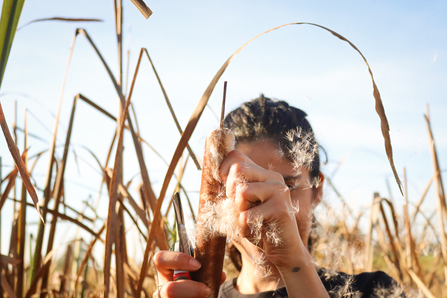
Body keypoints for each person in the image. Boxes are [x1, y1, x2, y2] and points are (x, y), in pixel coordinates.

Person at [154, 95, 405, 298]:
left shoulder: (374, 290)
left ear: (316, 191)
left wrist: (293, 263)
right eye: (245, 186)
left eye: (288, 186)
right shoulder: (199, 295)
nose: (266, 201)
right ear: (218, 203)